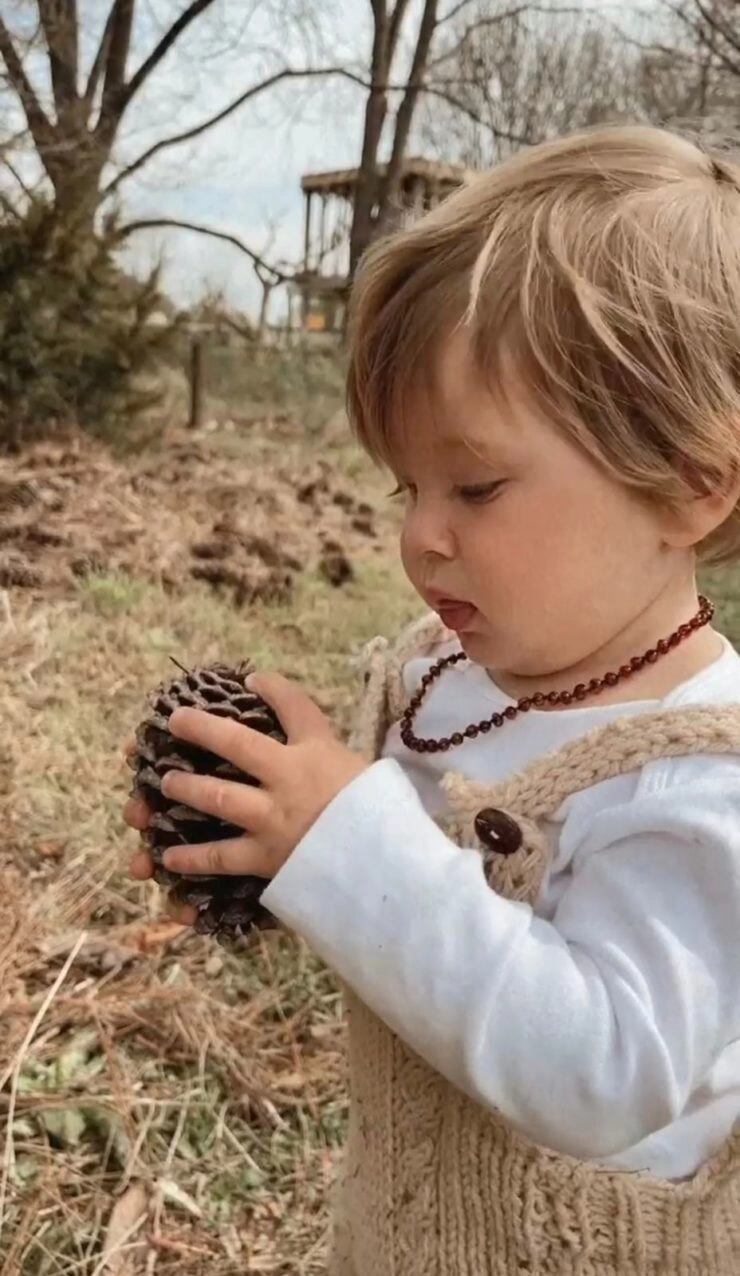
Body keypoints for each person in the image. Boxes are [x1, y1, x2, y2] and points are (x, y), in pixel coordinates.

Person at [122, 125, 740, 1273]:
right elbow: (409, 926)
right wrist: (264, 842)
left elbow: (597, 1069)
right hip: (403, 1230)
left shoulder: (700, 777)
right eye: (407, 483)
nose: (416, 535)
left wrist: (346, 840)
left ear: (692, 482)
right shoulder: (440, 676)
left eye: (476, 484)